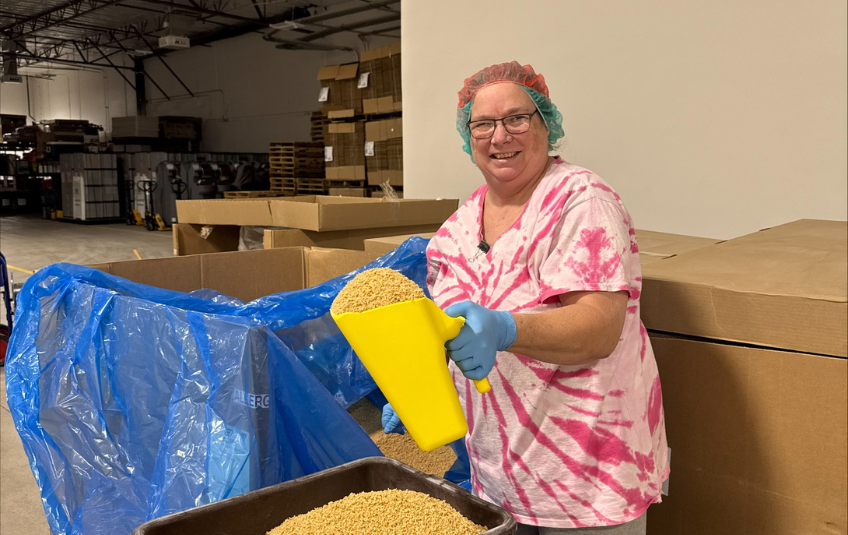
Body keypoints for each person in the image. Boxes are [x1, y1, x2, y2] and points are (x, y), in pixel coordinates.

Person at [382, 61, 669, 534]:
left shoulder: (579, 201)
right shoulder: (454, 232)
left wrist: (504, 328)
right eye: (483, 124)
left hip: (586, 479)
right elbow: (451, 331)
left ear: (546, 123)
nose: (500, 136)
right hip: (497, 479)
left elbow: (598, 328)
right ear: (467, 134)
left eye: (517, 118)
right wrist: (420, 382)